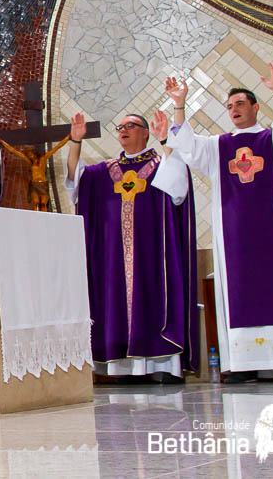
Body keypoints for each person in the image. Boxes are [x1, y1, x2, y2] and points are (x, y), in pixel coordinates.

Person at [165, 60, 273, 383]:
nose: (234, 110)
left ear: (255, 107)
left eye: (240, 104)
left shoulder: (272, 141)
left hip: (270, 234)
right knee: (238, 292)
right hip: (235, 238)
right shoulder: (219, 146)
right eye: (230, 106)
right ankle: (243, 365)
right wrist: (179, 104)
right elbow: (186, 145)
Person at [65, 111, 197, 383]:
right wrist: (75, 142)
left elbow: (179, 188)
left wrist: (166, 140)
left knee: (153, 301)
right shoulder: (104, 172)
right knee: (117, 303)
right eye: (120, 126)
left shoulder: (161, 164)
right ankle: (123, 368)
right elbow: (76, 182)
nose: (123, 130)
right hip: (115, 256)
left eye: (131, 125)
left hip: (152, 253)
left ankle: (162, 367)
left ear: (145, 132)